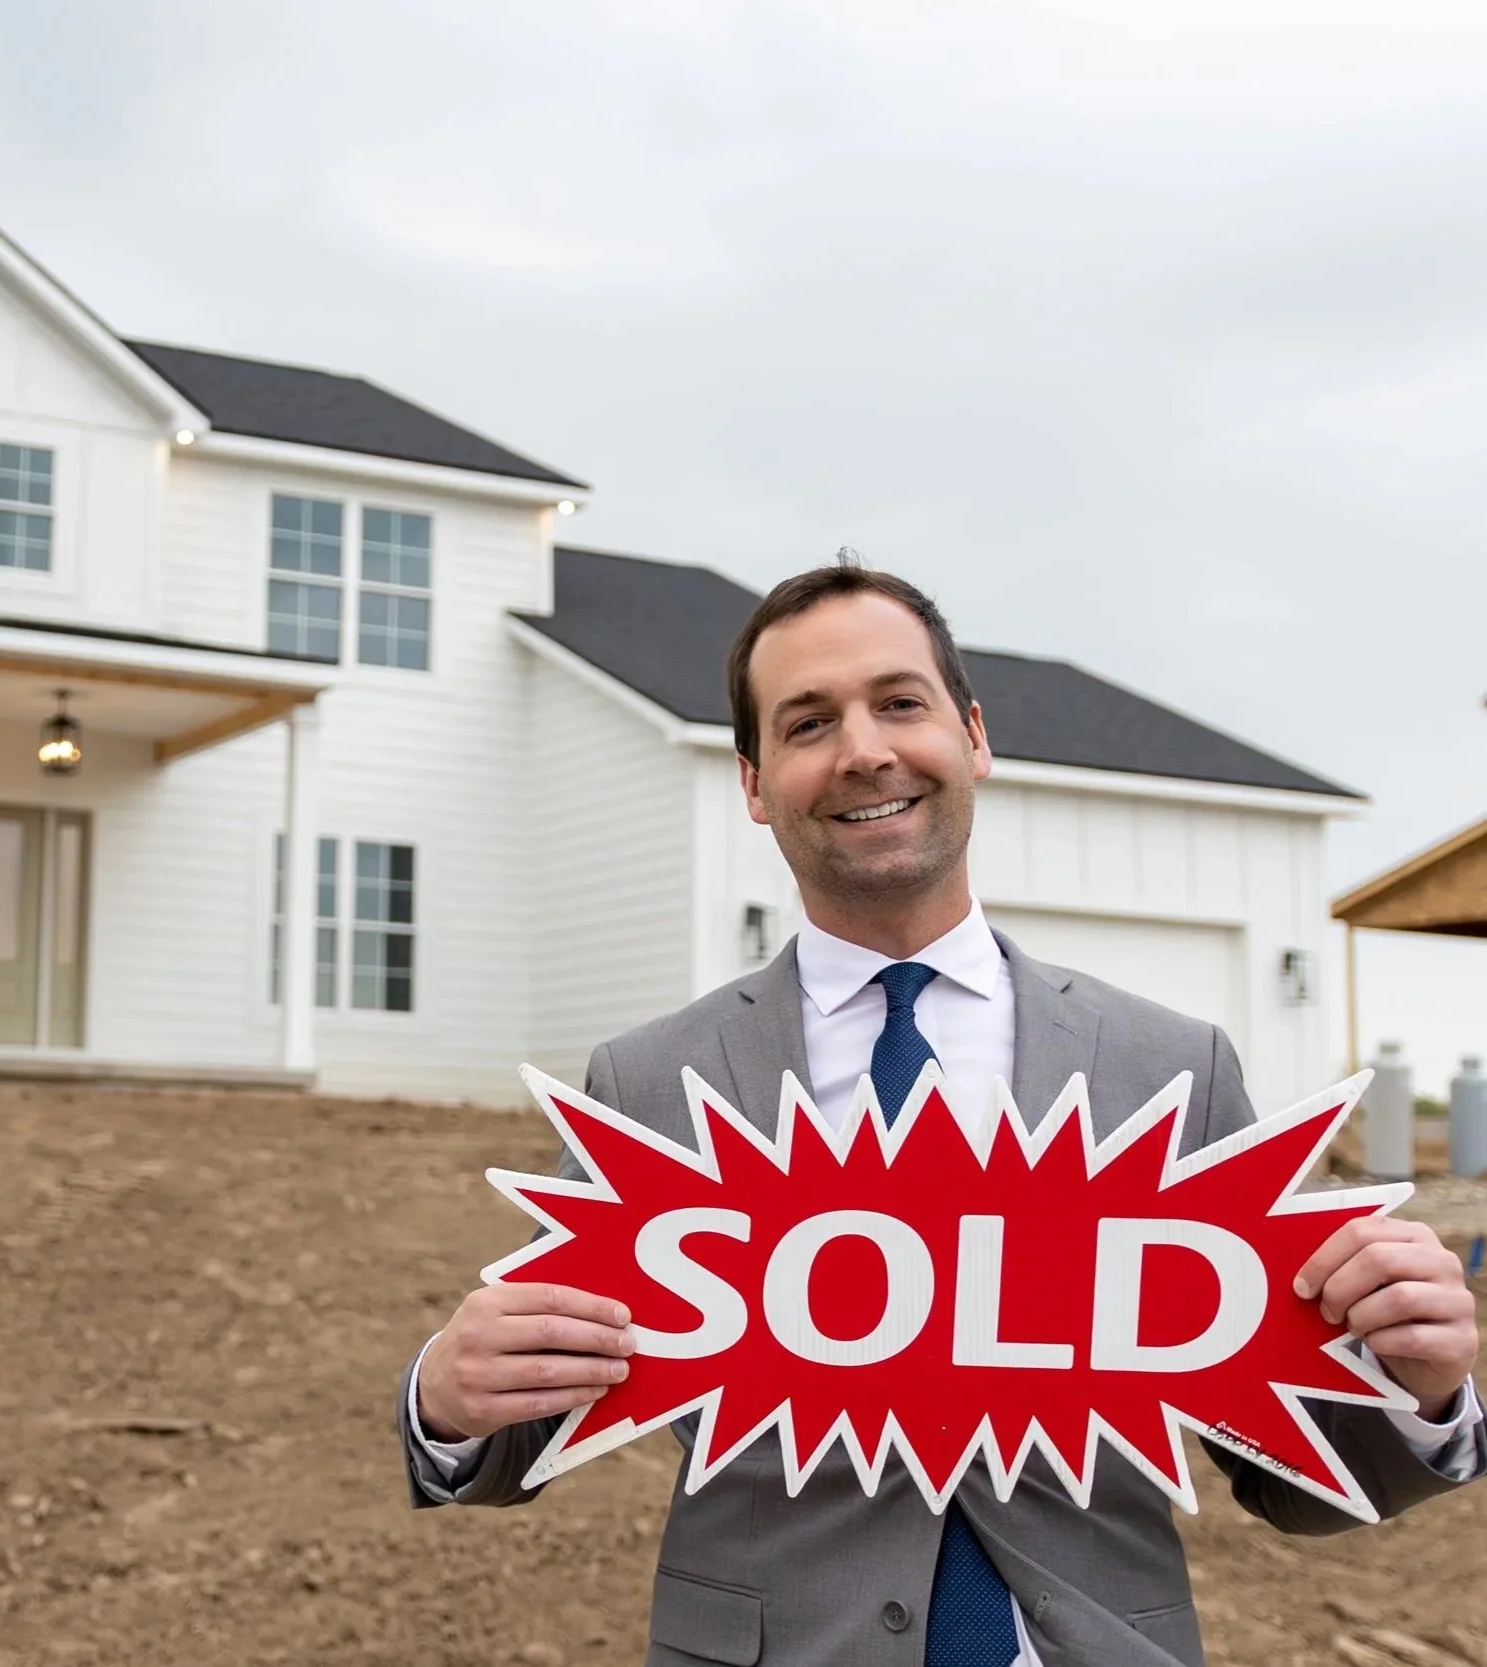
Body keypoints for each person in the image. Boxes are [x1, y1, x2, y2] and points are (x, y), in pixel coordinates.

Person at [398, 558, 1484, 1667]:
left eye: (897, 702)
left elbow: (1297, 1469)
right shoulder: (650, 1079)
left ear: (971, 735)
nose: (862, 748)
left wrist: (1417, 1384)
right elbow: (526, 1414)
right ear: (752, 780)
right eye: (807, 721)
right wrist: (447, 1396)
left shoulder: (1169, 1067)